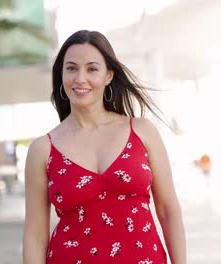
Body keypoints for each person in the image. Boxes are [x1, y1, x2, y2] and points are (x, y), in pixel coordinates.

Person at [23, 30, 186, 264]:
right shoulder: (43, 149)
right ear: (61, 74)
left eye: (92, 69)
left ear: (109, 75)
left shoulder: (141, 131)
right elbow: (35, 234)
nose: (80, 78)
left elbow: (168, 210)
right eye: (71, 68)